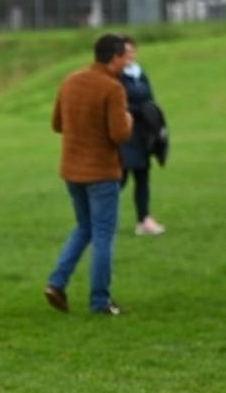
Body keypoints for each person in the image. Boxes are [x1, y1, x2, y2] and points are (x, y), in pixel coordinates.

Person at [43, 33, 134, 316]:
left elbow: (57, 124)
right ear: (113, 58)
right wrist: (129, 119)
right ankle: (100, 300)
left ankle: (56, 282)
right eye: (124, 58)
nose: (126, 63)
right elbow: (119, 134)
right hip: (102, 173)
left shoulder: (70, 80)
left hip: (72, 171)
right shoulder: (112, 88)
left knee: (84, 228)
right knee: (104, 235)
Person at [118, 37, 165, 236]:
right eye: (126, 51)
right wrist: (140, 109)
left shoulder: (139, 73)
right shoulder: (117, 76)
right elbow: (120, 104)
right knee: (119, 180)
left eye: (133, 51)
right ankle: (99, 219)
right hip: (125, 134)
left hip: (143, 135)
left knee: (143, 177)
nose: (130, 55)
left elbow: (150, 100)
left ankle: (143, 219)